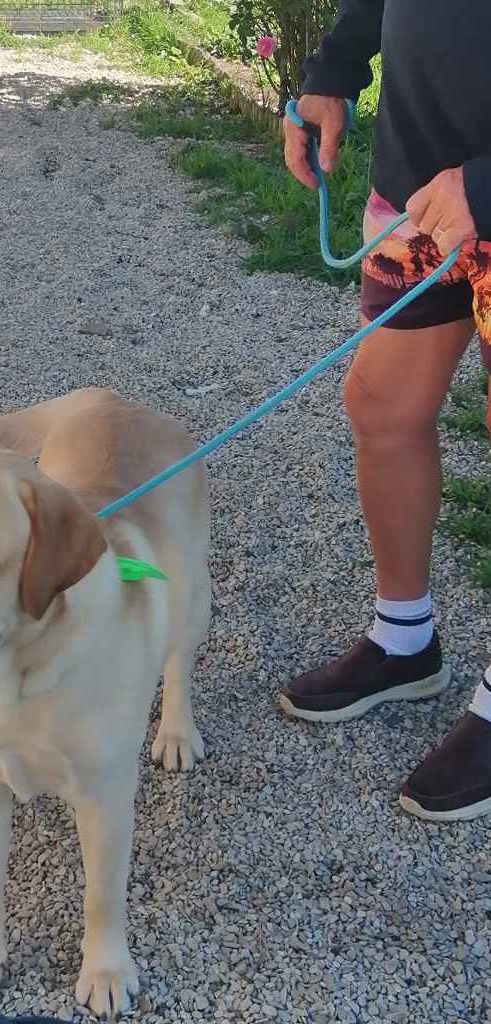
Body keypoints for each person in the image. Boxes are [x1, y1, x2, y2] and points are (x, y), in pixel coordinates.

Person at [280, 0, 491, 821]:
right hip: (418, 185)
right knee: (379, 403)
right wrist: (334, 68)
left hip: (477, 187)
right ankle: (404, 639)